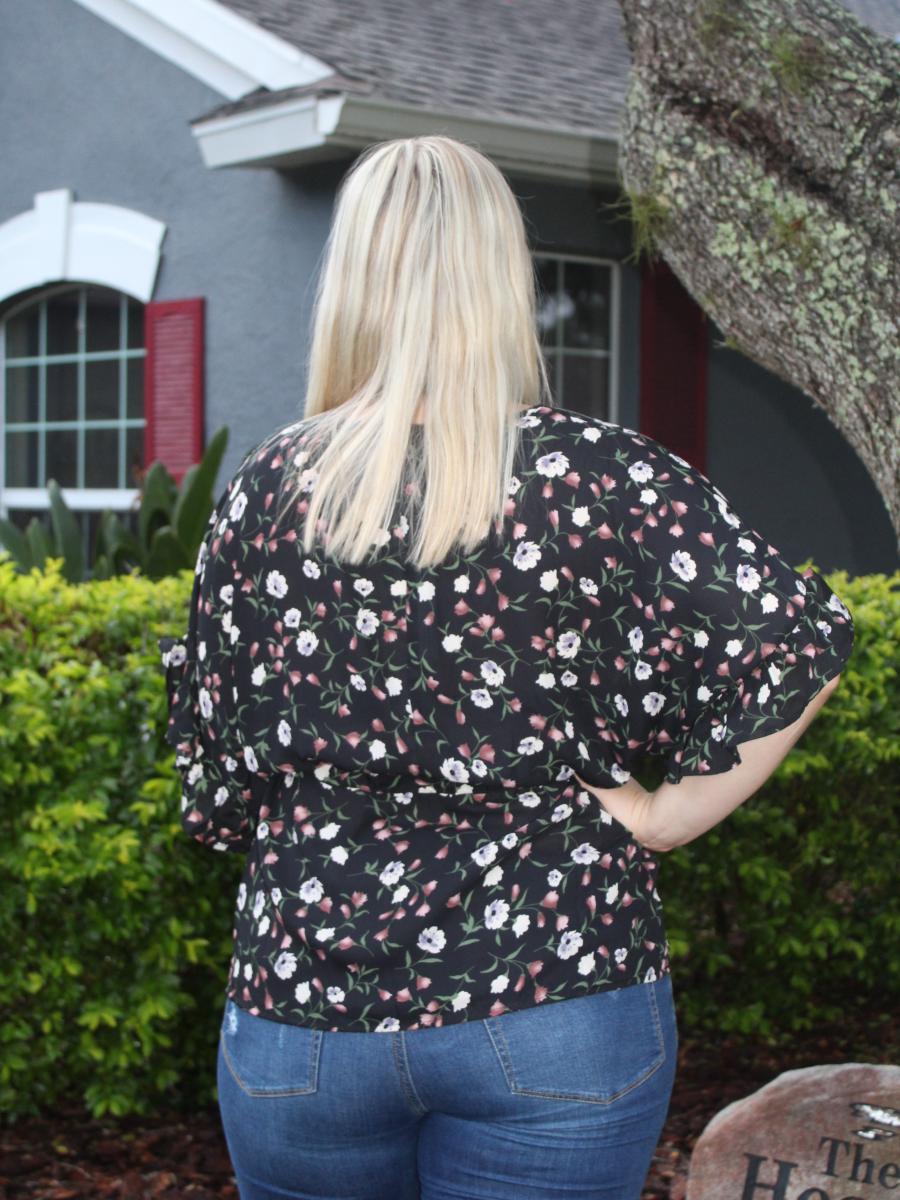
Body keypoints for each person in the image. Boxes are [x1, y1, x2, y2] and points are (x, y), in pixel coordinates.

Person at [158, 134, 855, 1200]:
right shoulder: (603, 479)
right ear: (500, 274)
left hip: (307, 1018)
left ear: (352, 277)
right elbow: (797, 643)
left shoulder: (265, 493)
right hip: (559, 1003)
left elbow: (213, 778)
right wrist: (668, 816)